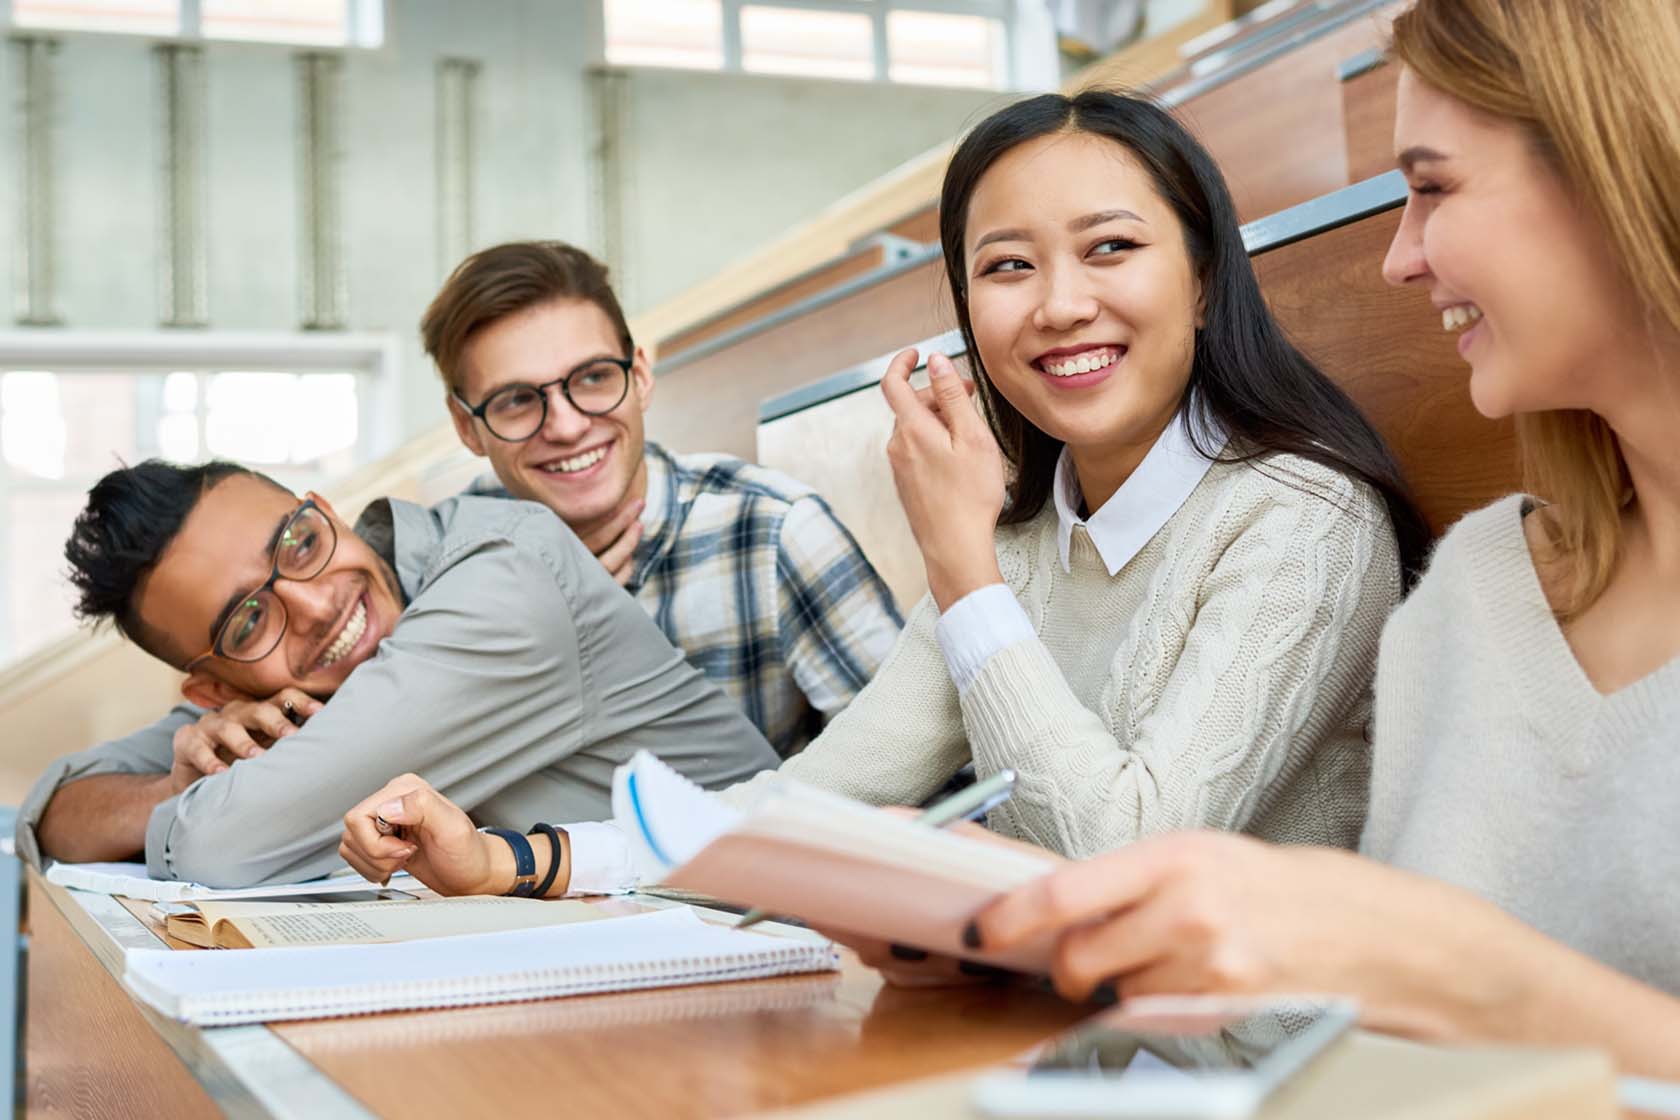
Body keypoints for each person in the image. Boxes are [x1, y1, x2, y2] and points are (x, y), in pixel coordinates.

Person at [337, 90, 1430, 894]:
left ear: (1201, 278)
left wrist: (962, 569)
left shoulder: (1301, 521)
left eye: (1110, 248)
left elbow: (1126, 860)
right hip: (1036, 1048)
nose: (1058, 305)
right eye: (1007, 267)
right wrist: (504, 859)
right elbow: (803, 804)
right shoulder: (1025, 543)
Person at [935, 0, 1680, 1079]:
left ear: (1615, 165)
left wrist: (1463, 975)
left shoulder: (1301, 522)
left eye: (1432, 187)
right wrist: (1020, 940)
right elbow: (1370, 1044)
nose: (1399, 258)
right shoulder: (1474, 594)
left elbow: (1429, 979)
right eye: (1006, 268)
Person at [15, 461, 778, 886]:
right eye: (247, 620)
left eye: (300, 542)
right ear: (215, 690)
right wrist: (172, 785)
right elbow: (57, 807)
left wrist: (204, 801)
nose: (313, 604)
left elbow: (224, 843)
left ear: (325, 510)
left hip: (792, 936)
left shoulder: (504, 579)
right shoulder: (285, 693)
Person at [422, 242, 902, 756]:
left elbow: (933, 784)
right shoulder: (445, 564)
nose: (567, 426)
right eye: (516, 400)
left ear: (641, 375)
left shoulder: (772, 534)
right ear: (466, 428)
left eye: (593, 377)